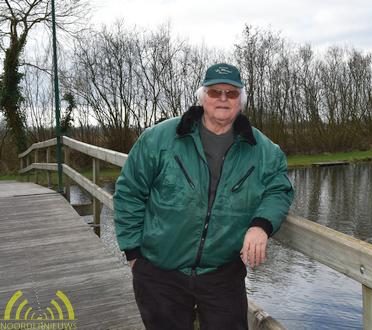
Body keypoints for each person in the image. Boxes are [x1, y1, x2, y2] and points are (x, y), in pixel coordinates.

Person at [113, 63, 294, 330]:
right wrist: (133, 253)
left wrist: (261, 226)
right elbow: (129, 192)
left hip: (223, 273)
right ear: (202, 97)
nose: (223, 98)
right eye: (215, 92)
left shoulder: (264, 150)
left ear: (241, 101)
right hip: (160, 271)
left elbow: (279, 189)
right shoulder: (159, 139)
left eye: (231, 93)